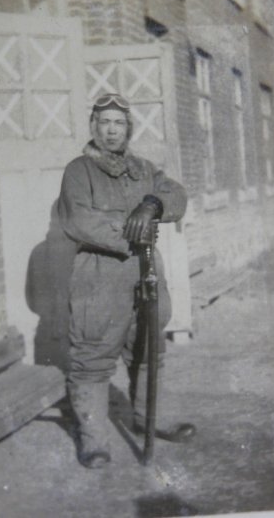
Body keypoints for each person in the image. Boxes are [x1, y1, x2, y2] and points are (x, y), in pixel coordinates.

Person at [58, 93, 188, 469]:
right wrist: (130, 231)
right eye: (104, 123)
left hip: (146, 272)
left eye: (118, 123)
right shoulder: (78, 170)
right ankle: (94, 439)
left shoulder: (144, 168)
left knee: (150, 352)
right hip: (99, 275)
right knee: (92, 358)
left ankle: (150, 419)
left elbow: (176, 194)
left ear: (128, 129)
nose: (111, 130)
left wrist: (152, 206)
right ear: (94, 128)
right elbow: (77, 220)